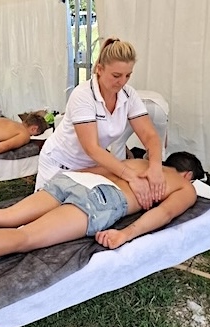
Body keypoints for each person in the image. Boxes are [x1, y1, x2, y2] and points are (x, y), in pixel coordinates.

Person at [0, 151, 204, 299]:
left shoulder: (140, 161)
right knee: (23, 237)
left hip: (75, 181)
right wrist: (125, 233)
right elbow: (163, 215)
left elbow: (98, 171)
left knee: (6, 215)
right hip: (102, 199)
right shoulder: (184, 185)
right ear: (188, 173)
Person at [36, 37, 165, 211]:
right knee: (45, 213)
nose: (122, 82)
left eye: (128, 75)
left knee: (82, 212)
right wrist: (131, 177)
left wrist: (156, 166)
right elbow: (92, 148)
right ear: (99, 69)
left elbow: (149, 135)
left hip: (91, 165)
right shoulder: (83, 95)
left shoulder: (128, 95)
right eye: (116, 75)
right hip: (60, 163)